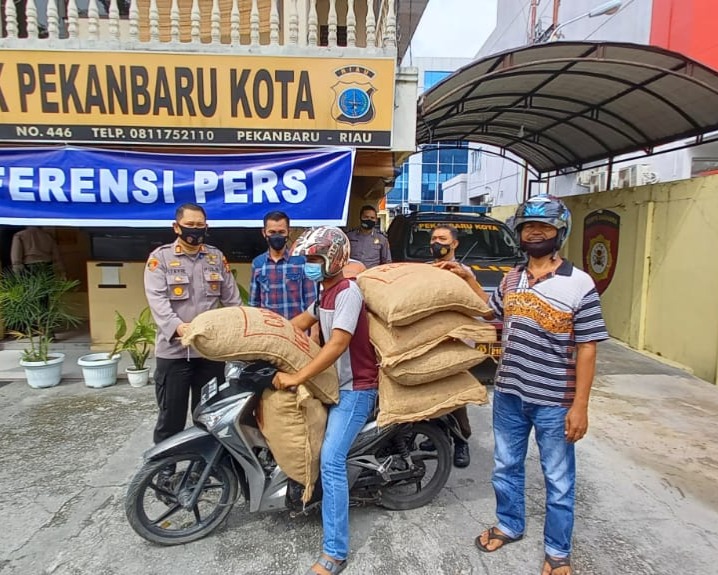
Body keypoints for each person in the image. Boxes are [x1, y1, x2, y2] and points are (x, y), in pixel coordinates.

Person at [439, 196, 608, 575]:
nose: (535, 233)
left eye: (544, 227)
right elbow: (491, 312)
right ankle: (510, 525)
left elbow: (588, 349)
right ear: (519, 234)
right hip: (510, 392)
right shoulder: (512, 278)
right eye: (528, 228)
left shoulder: (580, 284)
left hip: (554, 400)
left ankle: (557, 551)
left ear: (559, 232)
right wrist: (467, 278)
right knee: (506, 466)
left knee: (559, 479)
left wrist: (580, 406)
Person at [272, 226, 378, 575]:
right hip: (334, 384)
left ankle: (335, 552)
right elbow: (301, 322)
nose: (309, 265)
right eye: (307, 259)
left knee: (331, 460)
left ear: (334, 259)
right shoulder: (324, 293)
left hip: (356, 388)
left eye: (314, 259)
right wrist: (267, 339)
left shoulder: (348, 292)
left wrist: (297, 377)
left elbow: (337, 344)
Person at [144, 203, 241, 446]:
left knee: (208, 416)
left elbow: (232, 301)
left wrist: (238, 329)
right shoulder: (160, 259)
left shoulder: (216, 257)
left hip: (209, 354)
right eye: (190, 225)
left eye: (200, 226)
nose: (195, 230)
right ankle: (166, 471)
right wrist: (179, 328)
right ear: (176, 227)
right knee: (171, 418)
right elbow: (158, 301)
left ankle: (203, 469)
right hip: (174, 353)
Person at [427, 224, 485, 468]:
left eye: (442, 238)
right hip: (433, 339)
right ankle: (438, 434)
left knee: (455, 395)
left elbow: (481, 306)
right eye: (433, 239)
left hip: (458, 341)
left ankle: (462, 438)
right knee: (433, 392)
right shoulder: (427, 271)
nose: (436, 243)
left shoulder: (464, 273)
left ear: (454, 244)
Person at [249, 210, 317, 320]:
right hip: (269, 330)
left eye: (281, 232)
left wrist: (314, 334)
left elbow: (312, 301)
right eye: (272, 232)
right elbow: (254, 304)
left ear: (288, 232)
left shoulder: (301, 262)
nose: (276, 236)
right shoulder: (258, 264)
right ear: (264, 232)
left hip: (297, 330)